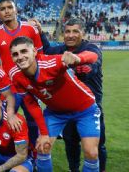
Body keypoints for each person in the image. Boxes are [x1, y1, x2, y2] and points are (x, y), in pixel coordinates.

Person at [9, 36, 101, 172]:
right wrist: (44, 133)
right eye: (15, 54)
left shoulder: (51, 63)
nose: (20, 57)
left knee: (91, 153)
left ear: (34, 52)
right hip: (55, 113)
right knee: (42, 147)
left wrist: (78, 58)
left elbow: (93, 55)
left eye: (24, 51)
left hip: (85, 109)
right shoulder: (15, 75)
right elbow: (31, 104)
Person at [34, 18, 107, 172]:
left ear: (83, 33)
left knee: (96, 147)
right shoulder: (59, 50)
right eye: (67, 31)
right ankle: (73, 169)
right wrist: (40, 33)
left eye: (75, 31)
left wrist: (77, 62)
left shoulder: (91, 48)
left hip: (90, 106)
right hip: (65, 107)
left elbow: (90, 66)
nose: (70, 35)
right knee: (70, 141)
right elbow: (45, 50)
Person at [0, 0, 44, 156]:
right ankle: (9, 153)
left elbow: (40, 56)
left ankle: (34, 155)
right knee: (5, 121)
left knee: (33, 121)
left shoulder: (30, 29)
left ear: (16, 9)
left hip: (31, 86)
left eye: (9, 7)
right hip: (9, 89)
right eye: (3, 9)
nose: (7, 11)